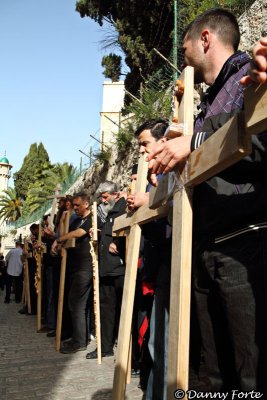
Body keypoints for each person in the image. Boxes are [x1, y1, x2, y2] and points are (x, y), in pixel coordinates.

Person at [147, 9, 267, 394]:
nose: (182, 56)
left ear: (205, 38)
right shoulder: (206, 102)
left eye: (184, 47)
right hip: (206, 249)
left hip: (245, 243)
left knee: (250, 374)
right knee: (211, 376)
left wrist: (194, 142)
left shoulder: (248, 75)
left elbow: (257, 139)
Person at [86, 181, 126, 360]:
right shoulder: (110, 212)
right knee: (106, 310)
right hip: (107, 269)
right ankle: (106, 347)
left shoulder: (123, 208)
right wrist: (100, 234)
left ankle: (127, 351)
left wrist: (117, 242)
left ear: (115, 194)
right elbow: (109, 231)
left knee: (123, 309)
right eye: (101, 197)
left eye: (105, 197)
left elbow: (127, 229)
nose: (103, 201)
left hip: (120, 268)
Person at [51, 191, 95, 354]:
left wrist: (60, 238)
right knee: (75, 304)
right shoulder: (78, 221)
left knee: (77, 304)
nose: (75, 208)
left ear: (86, 204)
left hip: (85, 268)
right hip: (75, 268)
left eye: (77, 205)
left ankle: (79, 341)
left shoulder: (91, 218)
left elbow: (79, 233)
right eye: (74, 205)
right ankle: (79, 337)